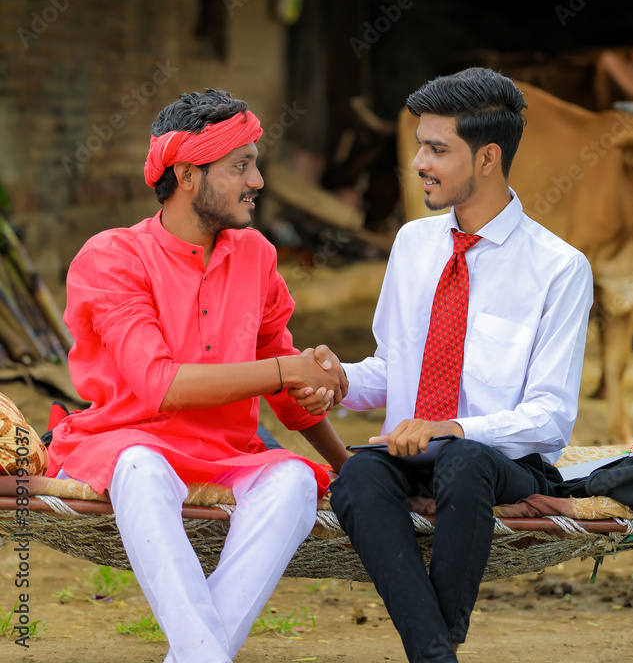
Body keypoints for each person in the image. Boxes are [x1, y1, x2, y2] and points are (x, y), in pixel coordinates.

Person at [292, 68, 594, 663]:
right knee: (356, 477)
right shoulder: (413, 244)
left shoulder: (559, 268)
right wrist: (342, 381)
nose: (419, 163)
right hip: (410, 457)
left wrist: (452, 429)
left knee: (461, 462)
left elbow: (551, 417)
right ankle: (437, 652)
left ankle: (434, 648)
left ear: (486, 158)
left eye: (437, 149)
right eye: (419, 146)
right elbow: (393, 367)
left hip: (501, 464)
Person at [47, 88, 349, 663]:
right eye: (241, 166)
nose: (257, 180)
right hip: (126, 444)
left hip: (230, 453)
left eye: (255, 164)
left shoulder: (257, 255)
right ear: (187, 175)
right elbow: (162, 385)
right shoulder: (111, 258)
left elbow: (286, 395)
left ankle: (195, 656)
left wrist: (346, 467)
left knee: (293, 482)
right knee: (141, 466)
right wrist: (289, 367)